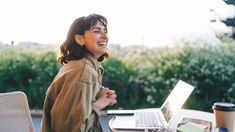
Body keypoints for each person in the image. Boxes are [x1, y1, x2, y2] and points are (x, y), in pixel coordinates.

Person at [41, 14, 117, 132]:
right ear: (80, 39)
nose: (105, 36)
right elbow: (70, 128)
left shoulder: (82, 66)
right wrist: (99, 104)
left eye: (105, 31)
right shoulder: (83, 72)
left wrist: (96, 97)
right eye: (97, 31)